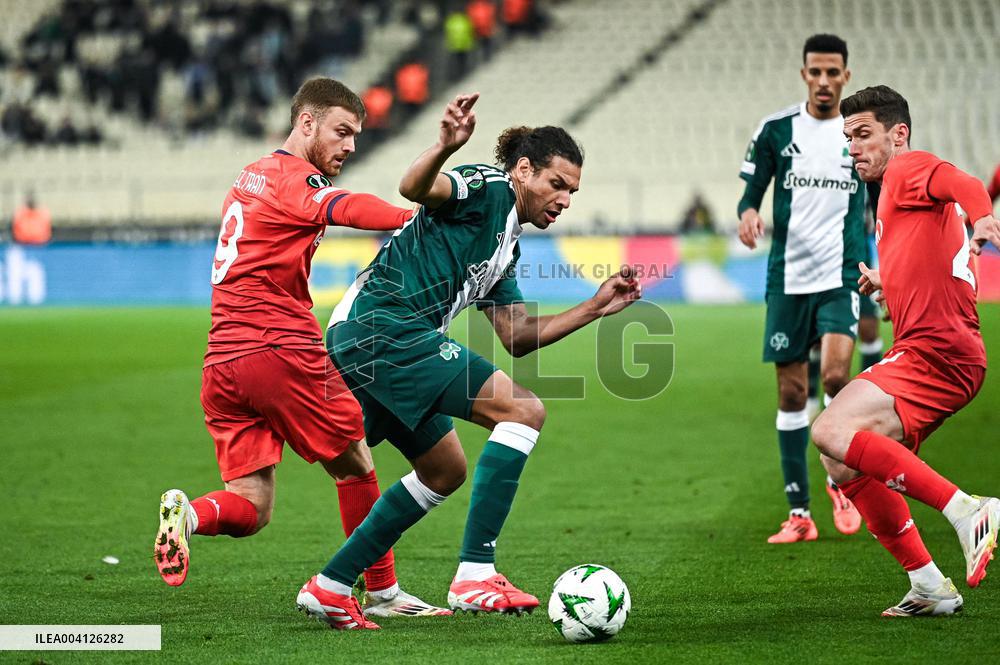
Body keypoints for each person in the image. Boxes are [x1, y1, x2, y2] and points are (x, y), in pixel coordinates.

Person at [294, 93, 642, 630]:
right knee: (523, 411)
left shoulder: (507, 245)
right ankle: (475, 574)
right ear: (524, 171)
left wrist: (596, 307)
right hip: (384, 328)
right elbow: (413, 189)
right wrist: (444, 146)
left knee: (444, 468)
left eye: (573, 191)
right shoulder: (488, 186)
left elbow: (518, 337)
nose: (566, 199)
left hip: (377, 337)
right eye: (557, 184)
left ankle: (332, 585)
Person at [154, 77, 449, 618]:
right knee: (356, 462)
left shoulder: (250, 176)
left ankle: (188, 516)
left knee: (252, 504)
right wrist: (415, 218)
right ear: (306, 122)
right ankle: (382, 593)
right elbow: (348, 206)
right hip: (278, 347)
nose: (350, 146)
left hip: (222, 362)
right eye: (342, 131)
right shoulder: (295, 178)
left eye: (357, 135)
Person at [813, 84, 1000, 616]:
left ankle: (968, 510)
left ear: (898, 134)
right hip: (942, 350)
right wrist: (887, 284)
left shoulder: (906, 167)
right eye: (848, 137)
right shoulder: (893, 199)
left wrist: (983, 212)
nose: (854, 146)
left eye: (864, 133)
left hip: (937, 352)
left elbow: (956, 178)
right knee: (840, 462)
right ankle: (929, 586)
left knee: (829, 429)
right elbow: (936, 272)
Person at [737, 34, 864, 543]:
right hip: (787, 279)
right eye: (816, 72)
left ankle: (841, 479)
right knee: (792, 392)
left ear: (846, 77)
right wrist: (748, 215)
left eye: (834, 73)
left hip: (840, 275)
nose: (825, 81)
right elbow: (751, 194)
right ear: (804, 74)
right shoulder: (776, 130)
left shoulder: (858, 133)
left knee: (835, 378)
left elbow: (884, 192)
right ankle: (800, 514)